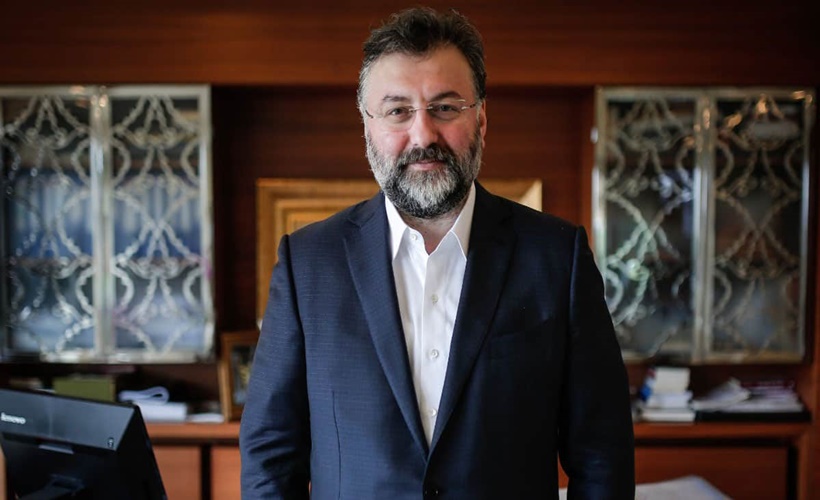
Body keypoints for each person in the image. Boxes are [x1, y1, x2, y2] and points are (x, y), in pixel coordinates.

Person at [240, 7, 635, 499]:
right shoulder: (308, 264)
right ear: (367, 127)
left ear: (481, 120)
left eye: (445, 108)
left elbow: (602, 454)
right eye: (398, 111)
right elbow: (270, 456)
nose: (424, 135)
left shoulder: (557, 259)